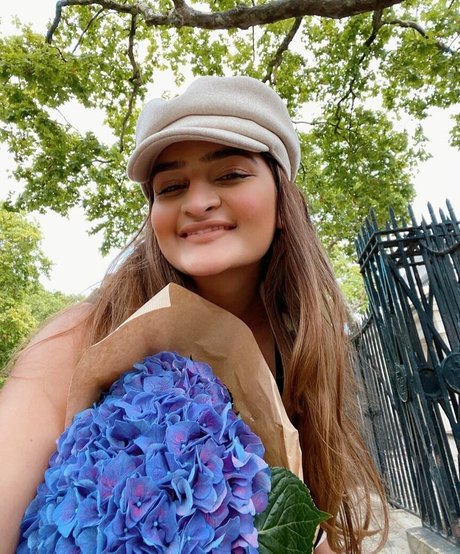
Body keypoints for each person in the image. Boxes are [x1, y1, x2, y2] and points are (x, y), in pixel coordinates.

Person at [0, 76, 388, 553]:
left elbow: (312, 531)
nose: (198, 202)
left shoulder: (306, 351)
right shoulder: (78, 339)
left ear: (283, 203)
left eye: (230, 174)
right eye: (171, 186)